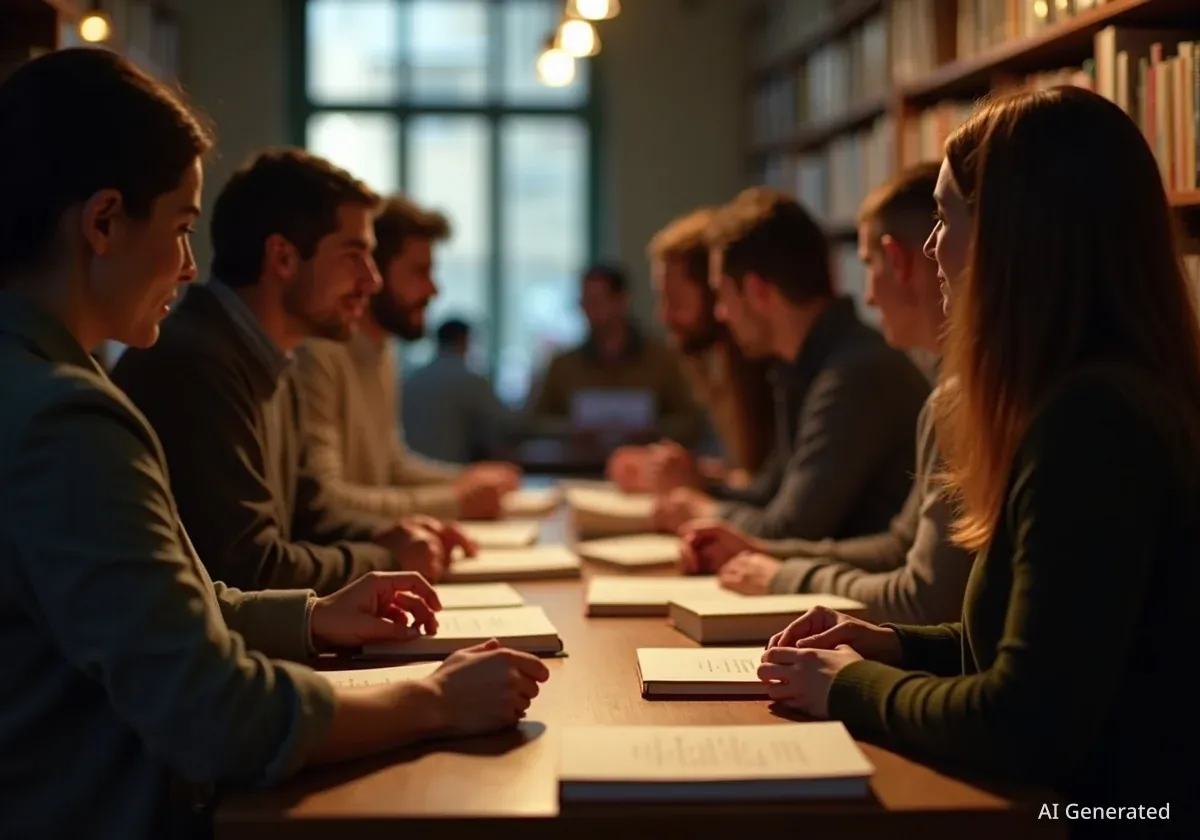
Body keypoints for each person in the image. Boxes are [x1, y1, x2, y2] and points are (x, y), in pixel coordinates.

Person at [0, 48, 548, 840]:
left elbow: (171, 604)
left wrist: (315, 615)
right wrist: (432, 699)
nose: (190, 269)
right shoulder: (65, 417)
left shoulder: (41, 376)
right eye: (182, 228)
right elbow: (214, 711)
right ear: (104, 222)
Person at [759, 86, 1199, 821]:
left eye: (945, 214)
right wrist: (895, 645)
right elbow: (1037, 644)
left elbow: (1023, 723)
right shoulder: (1103, 396)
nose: (931, 245)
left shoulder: (1091, 426)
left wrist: (846, 685)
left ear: (1015, 234)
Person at [113, 150, 469, 593]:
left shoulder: (271, 354)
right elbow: (247, 567)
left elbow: (311, 511)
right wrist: (387, 558)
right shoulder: (199, 363)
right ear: (282, 257)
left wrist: (392, 533)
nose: (371, 281)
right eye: (354, 256)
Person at [678, 163, 971, 625]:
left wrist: (777, 569)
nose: (719, 314)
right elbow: (902, 546)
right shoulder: (812, 367)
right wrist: (757, 549)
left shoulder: (860, 374)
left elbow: (922, 597)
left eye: (869, 265)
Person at [652, 188, 930, 541]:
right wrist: (699, 487)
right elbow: (770, 496)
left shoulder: (853, 375)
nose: (720, 313)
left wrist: (698, 508)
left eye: (722, 295)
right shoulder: (809, 365)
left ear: (757, 291)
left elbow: (790, 529)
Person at [294, 196, 520, 522]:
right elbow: (325, 499)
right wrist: (455, 500)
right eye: (420, 272)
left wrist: (466, 480)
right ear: (375, 271)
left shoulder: (382, 352)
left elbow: (392, 465)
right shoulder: (317, 353)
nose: (433, 290)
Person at [606, 206, 776, 494]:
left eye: (674, 300)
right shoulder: (713, 363)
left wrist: (698, 481)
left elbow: (770, 490)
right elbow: (744, 474)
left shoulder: (765, 370)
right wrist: (667, 471)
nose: (664, 316)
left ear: (714, 291)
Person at [526, 262, 705, 447]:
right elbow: (537, 422)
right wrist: (572, 430)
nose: (589, 311)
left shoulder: (663, 360)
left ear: (622, 300)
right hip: (576, 466)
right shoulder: (563, 365)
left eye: (597, 301)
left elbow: (691, 421)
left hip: (646, 464)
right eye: (584, 302)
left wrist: (651, 430)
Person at [402, 317, 525, 464]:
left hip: (411, 470)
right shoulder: (470, 380)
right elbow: (508, 423)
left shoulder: (412, 379)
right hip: (450, 470)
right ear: (466, 341)